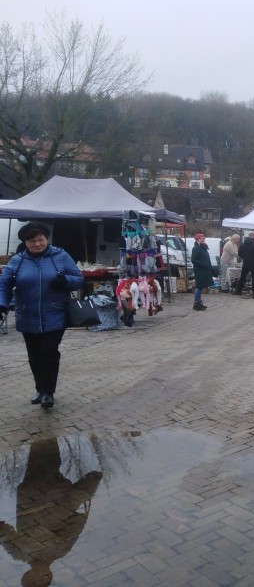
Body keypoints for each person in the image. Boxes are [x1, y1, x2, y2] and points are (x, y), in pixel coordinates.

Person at [0, 222, 84, 409]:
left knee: (49, 352)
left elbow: (79, 279)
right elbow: (4, 284)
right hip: (27, 314)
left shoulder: (60, 256)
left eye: (41, 240)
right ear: (25, 242)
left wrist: (65, 281)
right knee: (34, 355)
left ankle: (48, 392)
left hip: (55, 314)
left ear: (47, 239)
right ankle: (40, 389)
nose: (37, 244)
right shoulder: (17, 260)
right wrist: (2, 304)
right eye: (32, 241)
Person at [0, 437, 103, 586]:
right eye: (41, 579)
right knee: (45, 461)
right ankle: (45, 435)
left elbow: (4, 533)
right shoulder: (60, 550)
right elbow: (77, 524)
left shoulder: (20, 554)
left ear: (27, 575)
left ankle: (45, 435)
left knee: (41, 462)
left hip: (34, 492)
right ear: (48, 575)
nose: (38, 576)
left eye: (34, 579)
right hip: (50, 492)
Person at [190, 233, 214, 311]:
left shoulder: (203, 247)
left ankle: (199, 303)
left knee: (201, 286)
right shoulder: (196, 248)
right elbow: (194, 260)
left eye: (203, 238)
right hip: (199, 270)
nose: (202, 239)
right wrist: (203, 264)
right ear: (197, 239)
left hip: (204, 270)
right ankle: (196, 304)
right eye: (200, 238)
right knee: (199, 286)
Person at [236, 232, 254, 298]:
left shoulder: (243, 244)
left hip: (246, 262)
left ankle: (238, 291)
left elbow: (239, 253)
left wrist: (244, 257)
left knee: (243, 277)